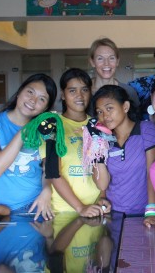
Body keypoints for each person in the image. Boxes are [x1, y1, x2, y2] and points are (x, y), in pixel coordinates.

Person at [0, 73, 57, 220]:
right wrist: (26, 130)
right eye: (30, 92)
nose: (33, 100)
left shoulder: (46, 131)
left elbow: (47, 169)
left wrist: (46, 190)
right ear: (19, 92)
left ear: (45, 108)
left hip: (34, 206)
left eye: (42, 99)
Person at [91, 85, 155, 229]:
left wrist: (151, 211)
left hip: (144, 214)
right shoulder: (103, 140)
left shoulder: (146, 129)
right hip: (114, 214)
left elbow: (153, 173)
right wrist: (102, 197)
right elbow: (102, 184)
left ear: (125, 106)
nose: (105, 116)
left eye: (109, 108)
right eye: (99, 112)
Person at [42, 68, 111, 218]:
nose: (79, 96)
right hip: (64, 211)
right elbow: (53, 173)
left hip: (95, 209)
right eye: (72, 90)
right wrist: (80, 208)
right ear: (63, 94)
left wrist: (102, 197)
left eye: (84, 90)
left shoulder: (97, 124)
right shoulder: (54, 125)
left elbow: (102, 164)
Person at [88, 37, 139, 108]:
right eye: (100, 58)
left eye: (111, 58)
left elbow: (135, 118)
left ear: (117, 61)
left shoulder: (129, 92)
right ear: (92, 62)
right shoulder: (84, 91)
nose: (106, 63)